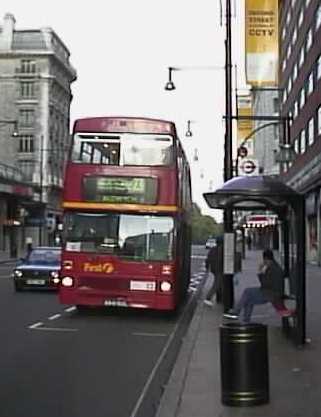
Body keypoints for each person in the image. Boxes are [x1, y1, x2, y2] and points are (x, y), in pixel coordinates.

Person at [223, 249, 292, 323]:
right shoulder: (275, 267)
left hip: (270, 294)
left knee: (247, 292)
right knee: (249, 300)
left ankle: (236, 312)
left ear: (266, 259)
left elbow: (265, 284)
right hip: (272, 292)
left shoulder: (272, 269)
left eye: (264, 260)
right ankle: (245, 320)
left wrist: (261, 272)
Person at [203, 236, 224, 306]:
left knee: (219, 283)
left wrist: (207, 267)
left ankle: (220, 298)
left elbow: (208, 259)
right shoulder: (222, 249)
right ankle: (208, 298)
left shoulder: (213, 249)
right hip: (220, 269)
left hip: (214, 269)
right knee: (217, 284)